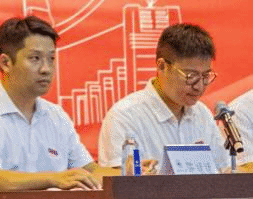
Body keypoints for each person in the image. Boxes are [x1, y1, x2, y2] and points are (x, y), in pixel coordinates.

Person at [0, 16, 109, 199]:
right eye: (35, 58)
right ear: (6, 63)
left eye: (51, 59)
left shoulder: (57, 116)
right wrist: (55, 179)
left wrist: (134, 174)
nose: (46, 69)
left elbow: (91, 171)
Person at [98, 23, 235, 172]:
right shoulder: (124, 117)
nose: (199, 86)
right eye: (190, 76)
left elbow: (222, 170)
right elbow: (114, 181)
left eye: (206, 76)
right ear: (162, 66)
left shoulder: (202, 114)